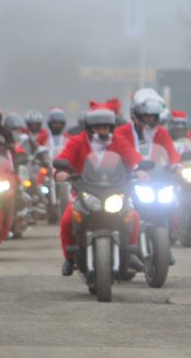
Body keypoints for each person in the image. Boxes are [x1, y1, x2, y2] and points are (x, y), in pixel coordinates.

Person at [55, 108, 145, 276]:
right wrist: (62, 171)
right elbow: (65, 157)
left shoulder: (119, 141)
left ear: (111, 128)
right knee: (68, 219)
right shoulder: (77, 141)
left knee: (134, 216)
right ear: (89, 129)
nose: (102, 131)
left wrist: (139, 169)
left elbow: (133, 157)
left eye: (105, 127)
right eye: (98, 128)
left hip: (116, 191)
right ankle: (69, 257)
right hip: (85, 192)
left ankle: (130, 252)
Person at [114, 89, 180, 165]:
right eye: (146, 116)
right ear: (138, 115)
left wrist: (177, 166)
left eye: (153, 116)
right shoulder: (121, 132)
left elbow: (171, 153)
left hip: (156, 175)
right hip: (128, 175)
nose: (150, 119)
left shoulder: (161, 132)